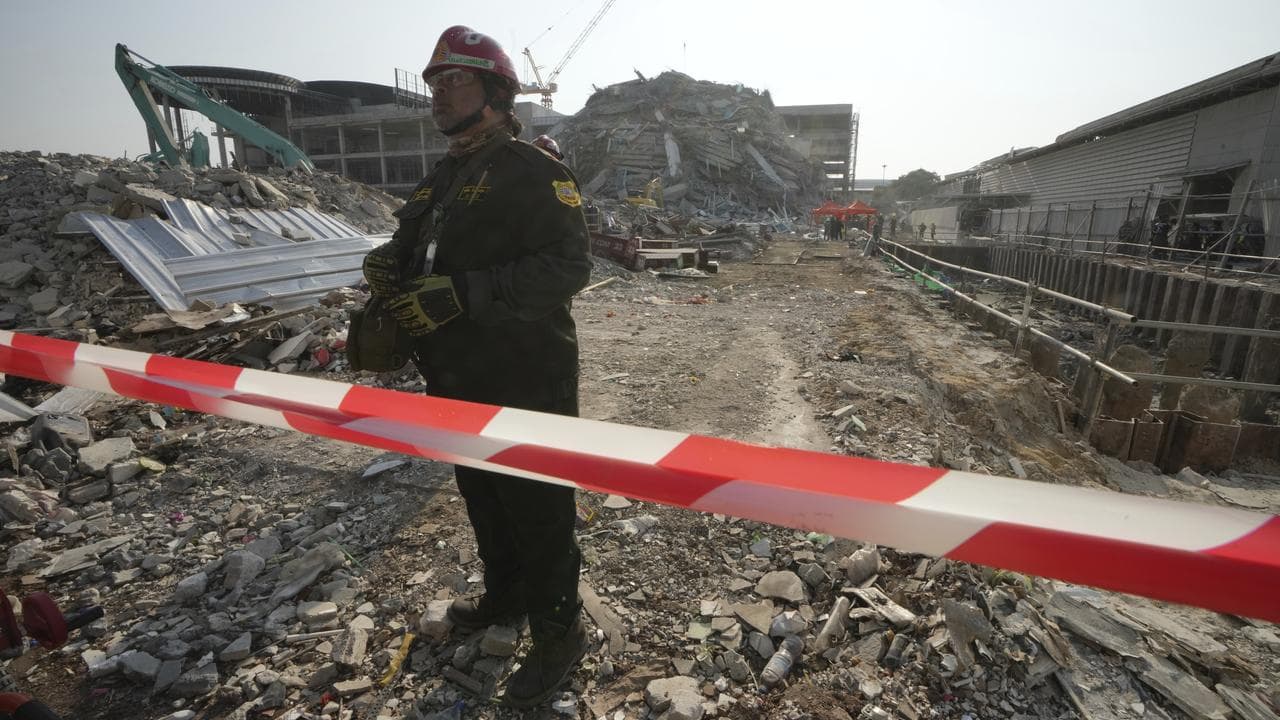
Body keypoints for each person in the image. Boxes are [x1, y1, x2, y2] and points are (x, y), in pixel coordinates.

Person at [360, 25, 591, 709]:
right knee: (482, 493)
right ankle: (505, 596)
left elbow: (569, 266)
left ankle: (558, 634)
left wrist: (467, 294)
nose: (437, 94)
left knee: (539, 506)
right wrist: (387, 263)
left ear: (495, 91)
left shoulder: (533, 172)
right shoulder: (444, 177)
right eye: (434, 82)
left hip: (528, 376)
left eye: (454, 80)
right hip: (456, 377)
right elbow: (418, 249)